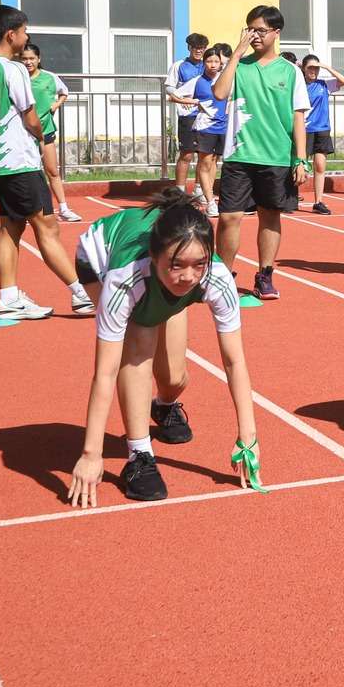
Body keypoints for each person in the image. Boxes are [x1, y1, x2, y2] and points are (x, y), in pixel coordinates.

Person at [66, 188, 259, 506]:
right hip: (97, 257)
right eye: (177, 264)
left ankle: (163, 404)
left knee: (174, 378)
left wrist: (248, 438)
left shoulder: (214, 277)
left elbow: (234, 361)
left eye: (199, 264)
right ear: (156, 257)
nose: (188, 276)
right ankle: (139, 455)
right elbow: (106, 371)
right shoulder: (124, 278)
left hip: (154, 278)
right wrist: (91, 453)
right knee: (140, 341)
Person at [0, 6, 92, 321]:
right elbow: (32, 116)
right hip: (20, 161)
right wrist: (38, 134)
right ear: (11, 35)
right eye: (24, 32)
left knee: (11, 227)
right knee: (46, 227)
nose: (26, 37)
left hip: (2, 162)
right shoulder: (14, 70)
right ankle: (82, 295)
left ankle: (8, 296)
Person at [212, 5, 310, 302]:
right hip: (239, 156)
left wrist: (300, 158)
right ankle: (223, 276)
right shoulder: (238, 66)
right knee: (229, 218)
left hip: (277, 157)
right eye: (250, 29)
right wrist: (236, 55)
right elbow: (219, 93)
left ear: (276, 33)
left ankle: (265, 275)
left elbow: (298, 117)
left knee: (270, 216)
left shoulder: (291, 71)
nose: (254, 35)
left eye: (260, 30)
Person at [17, 43, 79, 224]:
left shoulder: (50, 77)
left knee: (52, 170)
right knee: (29, 173)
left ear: (38, 59)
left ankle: (64, 208)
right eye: (24, 59)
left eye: (31, 58)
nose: (28, 62)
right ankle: (30, 211)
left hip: (46, 130)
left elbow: (64, 92)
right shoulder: (17, 78)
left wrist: (56, 105)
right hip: (24, 133)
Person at [175, 46, 229, 216]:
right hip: (205, 127)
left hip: (223, 126)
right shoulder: (198, 80)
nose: (212, 65)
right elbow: (173, 95)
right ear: (204, 63)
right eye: (209, 61)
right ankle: (211, 203)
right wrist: (193, 102)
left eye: (216, 61)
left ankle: (208, 195)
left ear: (221, 63)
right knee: (205, 163)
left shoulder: (226, 79)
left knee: (214, 162)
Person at [300, 54, 344, 214]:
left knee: (320, 166)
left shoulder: (324, 84)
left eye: (316, 68)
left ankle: (318, 201)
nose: (313, 71)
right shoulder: (298, 85)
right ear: (304, 69)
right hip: (304, 130)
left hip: (322, 129)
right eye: (310, 68)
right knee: (300, 166)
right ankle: (291, 196)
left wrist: (326, 67)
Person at [169, 33, 209, 198]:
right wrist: (181, 98)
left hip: (206, 114)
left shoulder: (209, 65)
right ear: (189, 48)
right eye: (195, 48)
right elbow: (169, 88)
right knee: (187, 153)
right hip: (187, 114)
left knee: (204, 153)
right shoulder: (179, 66)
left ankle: (199, 188)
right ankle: (180, 190)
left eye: (201, 48)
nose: (198, 51)